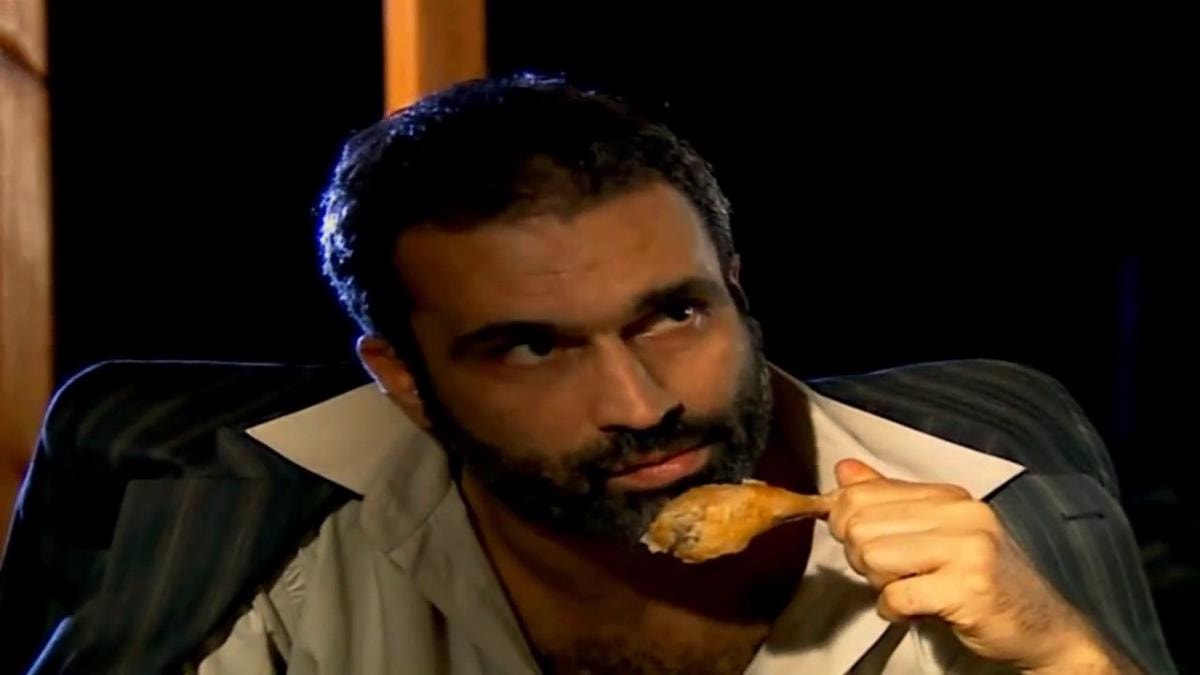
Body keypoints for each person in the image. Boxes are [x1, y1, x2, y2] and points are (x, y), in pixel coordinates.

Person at [0, 75, 1174, 674]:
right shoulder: (253, 542)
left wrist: (1063, 652)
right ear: (402, 379)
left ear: (734, 285)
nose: (642, 403)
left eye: (674, 314)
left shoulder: (1001, 490)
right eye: (532, 346)